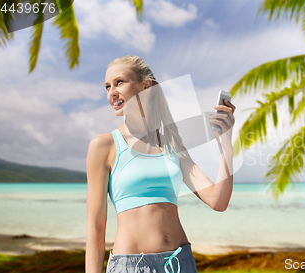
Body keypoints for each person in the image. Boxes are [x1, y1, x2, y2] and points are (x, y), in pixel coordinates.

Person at [85, 55, 235, 273]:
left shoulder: (172, 145)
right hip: (132, 266)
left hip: (180, 263)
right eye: (107, 87)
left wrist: (226, 144)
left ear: (146, 86)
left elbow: (218, 201)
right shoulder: (104, 146)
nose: (111, 93)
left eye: (119, 82)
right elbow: (96, 225)